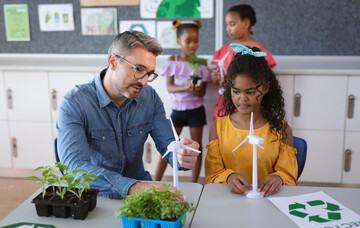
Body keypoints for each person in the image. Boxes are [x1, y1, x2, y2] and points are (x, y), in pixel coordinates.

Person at [56, 31, 200, 199]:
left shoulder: (149, 97)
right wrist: (133, 187)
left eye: (149, 73)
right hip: (96, 196)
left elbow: (168, 146)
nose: (144, 81)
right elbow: (75, 167)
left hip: (141, 189)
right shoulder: (74, 103)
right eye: (139, 69)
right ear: (113, 61)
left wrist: (183, 154)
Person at [205, 44, 297, 197]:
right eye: (236, 91)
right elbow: (212, 175)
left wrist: (279, 178)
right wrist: (228, 177)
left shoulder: (282, 130)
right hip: (229, 203)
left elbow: (289, 176)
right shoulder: (218, 127)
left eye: (251, 92)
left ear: (266, 88)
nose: (242, 99)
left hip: (268, 202)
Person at [153, 20, 210, 183]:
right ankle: (156, 180)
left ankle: (194, 183)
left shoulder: (201, 63)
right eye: (188, 41)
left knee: (196, 147)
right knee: (169, 146)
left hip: (196, 110)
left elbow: (202, 92)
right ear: (179, 41)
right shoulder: (174, 60)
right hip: (178, 110)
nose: (193, 45)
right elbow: (170, 87)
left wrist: (196, 89)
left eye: (196, 40)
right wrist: (185, 86)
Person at [212, 4, 276, 120]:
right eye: (227, 25)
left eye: (232, 24)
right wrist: (216, 77)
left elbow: (265, 77)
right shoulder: (224, 49)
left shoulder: (257, 48)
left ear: (246, 23)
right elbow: (219, 76)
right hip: (226, 102)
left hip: (248, 103)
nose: (228, 28)